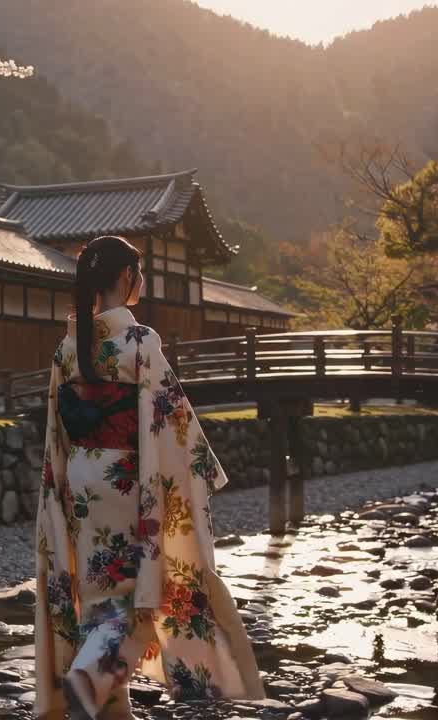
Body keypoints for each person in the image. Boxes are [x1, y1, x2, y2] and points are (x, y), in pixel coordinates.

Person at [33, 235, 264, 719]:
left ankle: (112, 709)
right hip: (127, 478)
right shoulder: (139, 341)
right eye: (139, 273)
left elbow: (55, 428)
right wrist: (200, 470)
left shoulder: (67, 350)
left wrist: (60, 489)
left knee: (101, 590)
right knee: (146, 590)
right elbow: (170, 419)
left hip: (81, 478)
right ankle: (92, 675)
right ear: (125, 278)